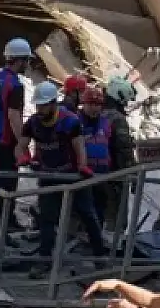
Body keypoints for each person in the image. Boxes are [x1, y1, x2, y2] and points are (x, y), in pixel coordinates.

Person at [19, 81, 107, 278]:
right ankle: (44, 261)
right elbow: (22, 144)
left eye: (43, 105)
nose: (40, 109)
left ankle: (100, 257)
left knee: (88, 215)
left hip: (72, 176)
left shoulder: (70, 121)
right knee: (47, 218)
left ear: (53, 103)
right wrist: (24, 156)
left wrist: (83, 166)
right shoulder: (32, 123)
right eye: (38, 106)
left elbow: (79, 147)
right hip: (49, 175)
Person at [0, 38, 32, 246]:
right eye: (27, 60)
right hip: (5, 141)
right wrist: (23, 145)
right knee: (7, 188)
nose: (28, 65)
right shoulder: (15, 85)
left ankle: (2, 228)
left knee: (0, 187)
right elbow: (13, 116)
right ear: (20, 60)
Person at [101, 75, 138, 230]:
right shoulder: (118, 119)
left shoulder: (97, 113)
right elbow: (124, 150)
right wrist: (134, 172)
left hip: (96, 173)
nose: (127, 104)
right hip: (115, 176)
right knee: (115, 220)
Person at [77, 86, 113, 224]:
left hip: (102, 173)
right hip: (83, 174)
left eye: (97, 104)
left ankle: (96, 237)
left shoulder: (104, 122)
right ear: (84, 104)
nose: (94, 108)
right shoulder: (76, 121)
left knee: (100, 207)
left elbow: (108, 143)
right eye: (91, 104)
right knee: (83, 210)